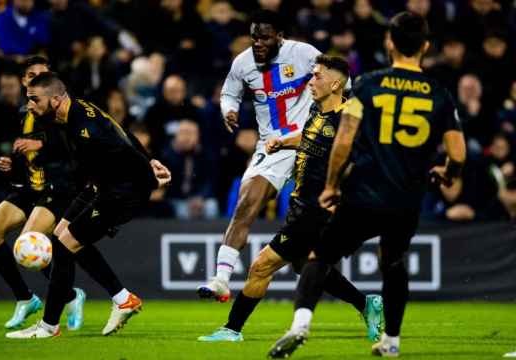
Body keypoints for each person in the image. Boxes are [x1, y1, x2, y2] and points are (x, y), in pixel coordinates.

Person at [267, 12, 466, 358]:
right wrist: (448, 173)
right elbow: (459, 153)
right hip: (406, 198)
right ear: (426, 46)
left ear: (389, 43)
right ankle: (391, 341)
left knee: (319, 257)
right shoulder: (439, 94)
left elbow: (343, 141)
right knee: (393, 262)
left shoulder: (367, 85)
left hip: (363, 193)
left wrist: (331, 185)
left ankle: (300, 325)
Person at [198, 55, 382, 343]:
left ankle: (231, 330)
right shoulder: (316, 110)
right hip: (301, 205)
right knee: (303, 266)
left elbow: (366, 160)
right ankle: (365, 303)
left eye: (317, 76)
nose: (311, 81)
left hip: (317, 210)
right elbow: (310, 137)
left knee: (261, 266)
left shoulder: (349, 118)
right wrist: (283, 141)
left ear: (335, 84)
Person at [5, 72, 171, 339]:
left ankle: (48, 326)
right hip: (102, 186)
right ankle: (122, 298)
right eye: (28, 99)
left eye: (35, 100)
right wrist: (150, 158)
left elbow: (122, 151)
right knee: (62, 234)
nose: (30, 105)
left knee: (64, 245)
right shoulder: (75, 110)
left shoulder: (86, 128)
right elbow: (120, 129)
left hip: (122, 192)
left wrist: (150, 175)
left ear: (56, 99)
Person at [198, 9, 322, 302]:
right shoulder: (242, 63)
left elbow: (339, 80)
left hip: (311, 144)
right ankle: (222, 279)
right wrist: (228, 108)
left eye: (265, 37)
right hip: (273, 145)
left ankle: (364, 302)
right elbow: (229, 93)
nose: (258, 43)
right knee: (246, 203)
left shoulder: (303, 54)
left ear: (280, 37)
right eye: (254, 37)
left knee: (301, 259)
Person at [0, 56, 84, 330]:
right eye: (30, 75)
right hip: (27, 189)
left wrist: (39, 143)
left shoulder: (60, 112)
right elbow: (23, 155)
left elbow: (68, 145)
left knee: (29, 243)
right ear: (24, 82)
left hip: (55, 189)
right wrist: (11, 164)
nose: (35, 78)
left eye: (41, 74)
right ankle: (26, 298)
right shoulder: (21, 113)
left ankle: (70, 295)